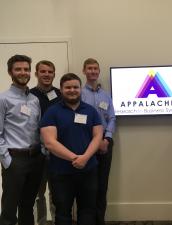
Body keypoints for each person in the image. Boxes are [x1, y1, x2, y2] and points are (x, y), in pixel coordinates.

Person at [40, 73, 103, 225]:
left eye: (75, 87)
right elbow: (49, 142)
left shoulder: (91, 111)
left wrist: (85, 158)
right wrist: (75, 159)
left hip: (88, 170)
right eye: (68, 87)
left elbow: (97, 136)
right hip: (61, 172)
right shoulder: (52, 112)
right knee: (62, 213)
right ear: (61, 90)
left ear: (80, 89)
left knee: (88, 210)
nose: (72, 90)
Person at [0, 54, 45, 225]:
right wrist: (7, 160)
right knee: (10, 209)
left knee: (27, 206)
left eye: (26, 69)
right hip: (15, 159)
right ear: (10, 72)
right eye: (18, 69)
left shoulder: (34, 100)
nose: (23, 72)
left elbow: (38, 129)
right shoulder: (3, 99)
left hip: (35, 158)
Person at [81, 58, 116, 225]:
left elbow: (112, 118)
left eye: (95, 68)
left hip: (105, 145)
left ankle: (100, 221)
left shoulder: (106, 95)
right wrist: (94, 141)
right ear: (84, 71)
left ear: (98, 71)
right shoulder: (79, 93)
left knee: (102, 187)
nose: (93, 71)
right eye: (89, 68)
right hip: (85, 145)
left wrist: (107, 139)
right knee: (87, 187)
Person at [30, 60, 61, 225]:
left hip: (57, 152)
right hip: (36, 153)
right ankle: (41, 222)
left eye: (50, 72)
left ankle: (58, 221)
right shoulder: (29, 95)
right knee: (38, 193)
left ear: (54, 74)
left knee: (56, 192)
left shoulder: (61, 94)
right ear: (36, 74)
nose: (47, 74)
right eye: (43, 71)